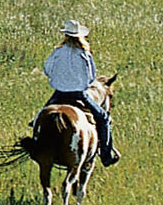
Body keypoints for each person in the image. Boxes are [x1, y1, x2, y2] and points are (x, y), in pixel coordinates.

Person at [42, 20, 118, 165]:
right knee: (103, 118)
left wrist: (59, 78)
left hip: (59, 93)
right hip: (79, 94)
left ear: (65, 35)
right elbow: (91, 76)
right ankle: (106, 154)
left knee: (40, 117)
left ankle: (37, 145)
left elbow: (47, 68)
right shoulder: (84, 54)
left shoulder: (58, 52)